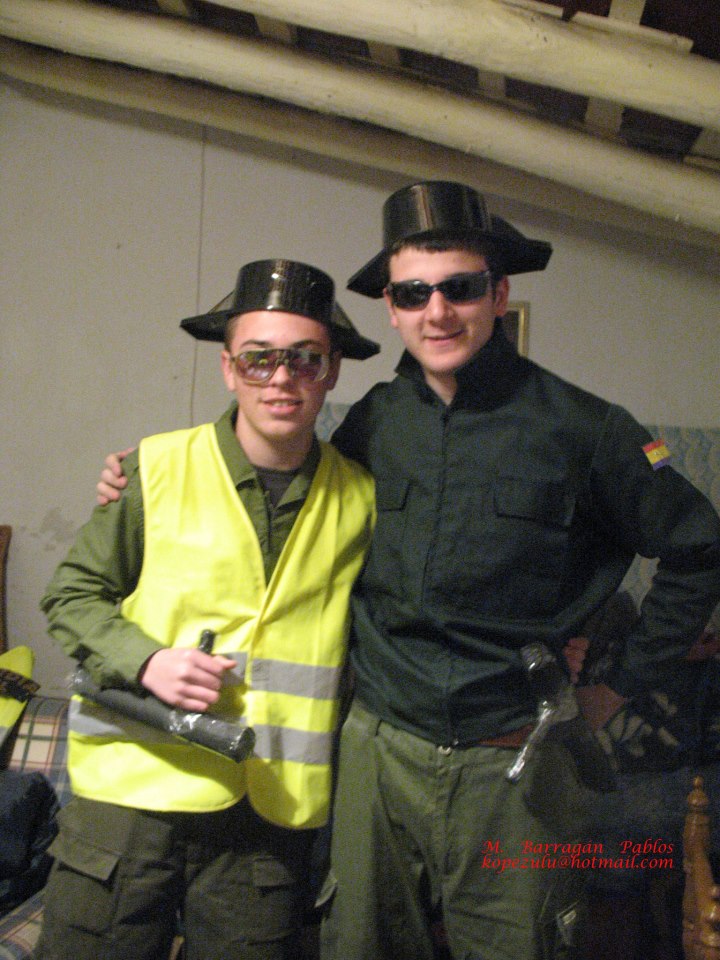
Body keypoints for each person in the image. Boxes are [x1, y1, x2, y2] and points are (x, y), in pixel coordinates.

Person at [96, 182, 720, 960]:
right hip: (377, 755)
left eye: (460, 287)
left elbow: (701, 548)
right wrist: (147, 477)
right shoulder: (373, 422)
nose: (438, 311)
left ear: (498, 294)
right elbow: (284, 498)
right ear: (391, 308)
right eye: (414, 293)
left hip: (515, 764)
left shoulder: (586, 429)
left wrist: (618, 683)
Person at [38, 259, 379, 960]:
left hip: (267, 814)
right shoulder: (154, 469)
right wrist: (146, 661)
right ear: (228, 368)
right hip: (131, 797)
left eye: (305, 359)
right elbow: (71, 596)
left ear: (332, 372)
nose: (281, 378)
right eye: (259, 358)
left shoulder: (364, 500)